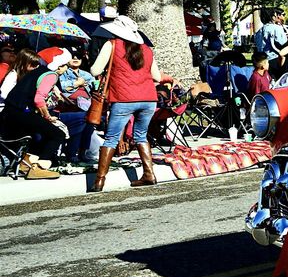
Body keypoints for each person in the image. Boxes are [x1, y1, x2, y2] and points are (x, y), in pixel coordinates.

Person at [88, 15, 166, 192]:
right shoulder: (146, 49)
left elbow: (95, 70)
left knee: (111, 139)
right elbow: (157, 77)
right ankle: (149, 174)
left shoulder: (112, 44)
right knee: (140, 136)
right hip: (148, 99)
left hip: (123, 98)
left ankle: (99, 181)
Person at [0, 48, 71, 178]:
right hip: (21, 112)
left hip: (9, 113)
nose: (66, 68)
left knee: (39, 132)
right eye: (66, 65)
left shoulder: (34, 72)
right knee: (57, 134)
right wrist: (47, 116)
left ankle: (25, 164)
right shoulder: (50, 75)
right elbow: (39, 99)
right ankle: (38, 167)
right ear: (60, 65)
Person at [255, 8, 288, 78]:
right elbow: (283, 42)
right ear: (272, 16)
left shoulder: (259, 31)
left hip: (262, 60)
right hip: (275, 59)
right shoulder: (276, 28)